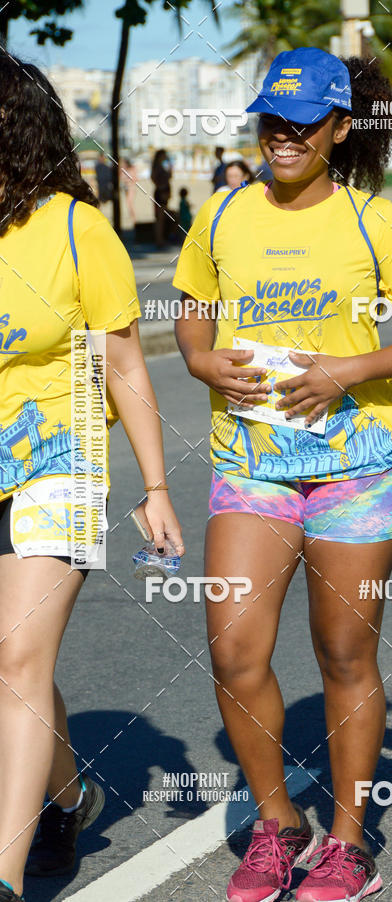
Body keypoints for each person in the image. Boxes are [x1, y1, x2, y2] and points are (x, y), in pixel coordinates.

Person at [173, 47, 392, 902]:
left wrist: (346, 368)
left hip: (357, 465)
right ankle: (275, 827)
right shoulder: (221, 216)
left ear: (340, 127)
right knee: (234, 649)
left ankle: (346, 844)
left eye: (303, 122)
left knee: (342, 652)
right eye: (272, 118)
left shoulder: (376, 221)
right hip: (253, 461)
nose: (284, 135)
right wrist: (202, 364)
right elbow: (191, 319)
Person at [0, 56, 185, 902]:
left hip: (61, 456)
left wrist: (155, 488)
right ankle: (68, 796)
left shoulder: (78, 230)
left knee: (16, 657)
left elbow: (122, 366)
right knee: (7, 667)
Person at [151, 149, 173, 248]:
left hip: (163, 192)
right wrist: (161, 186)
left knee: (161, 217)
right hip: (161, 193)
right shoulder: (158, 167)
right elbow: (154, 178)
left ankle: (160, 239)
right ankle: (159, 240)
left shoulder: (161, 166)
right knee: (160, 218)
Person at [120, 156, 138, 225]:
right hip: (126, 188)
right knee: (128, 204)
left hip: (131, 187)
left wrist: (128, 181)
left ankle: (134, 218)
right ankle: (132, 217)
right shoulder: (123, 170)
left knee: (129, 203)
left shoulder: (132, 169)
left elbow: (135, 178)